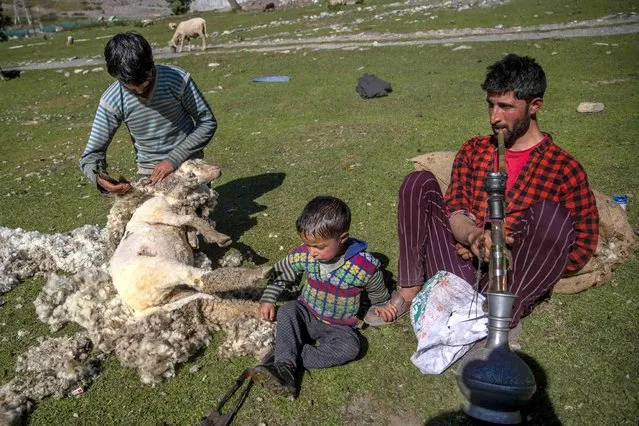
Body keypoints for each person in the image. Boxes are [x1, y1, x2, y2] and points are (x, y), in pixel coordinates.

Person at [389, 54, 599, 329]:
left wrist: (512, 254)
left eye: (506, 106)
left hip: (514, 279)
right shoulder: (475, 149)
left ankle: (505, 309)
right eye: (491, 105)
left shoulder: (563, 168)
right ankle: (409, 291)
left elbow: (581, 246)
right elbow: (455, 208)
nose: (494, 117)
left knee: (551, 215)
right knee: (418, 183)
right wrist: (473, 237)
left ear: (534, 106)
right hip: (460, 268)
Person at [254, 196, 395, 397]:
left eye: (319, 246)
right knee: (287, 310)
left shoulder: (363, 265)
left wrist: (381, 303)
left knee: (351, 348)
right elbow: (283, 271)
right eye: (307, 244)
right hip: (307, 313)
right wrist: (269, 298)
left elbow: (376, 285)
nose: (312, 252)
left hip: (338, 326)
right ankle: (285, 364)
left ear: (342, 238)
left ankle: (285, 358)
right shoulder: (304, 255)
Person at [79, 32, 216, 193]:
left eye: (145, 82)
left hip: (190, 167)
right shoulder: (113, 100)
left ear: (151, 64)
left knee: (196, 215)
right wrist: (99, 179)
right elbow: (91, 155)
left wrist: (174, 159)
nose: (140, 90)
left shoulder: (177, 79)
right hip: (151, 176)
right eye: (131, 86)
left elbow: (207, 122)